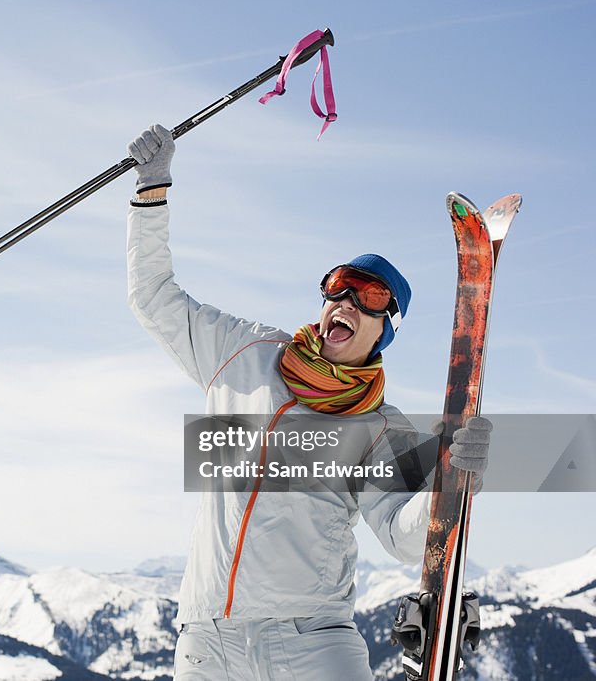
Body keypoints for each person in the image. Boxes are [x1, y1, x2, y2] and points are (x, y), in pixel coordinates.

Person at [125, 124, 491, 681]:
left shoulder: (377, 427)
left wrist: (450, 483)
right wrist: (152, 191)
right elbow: (154, 297)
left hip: (310, 642)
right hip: (206, 640)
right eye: (338, 286)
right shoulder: (244, 352)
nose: (345, 300)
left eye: (368, 297)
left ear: (384, 331)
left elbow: (400, 532)